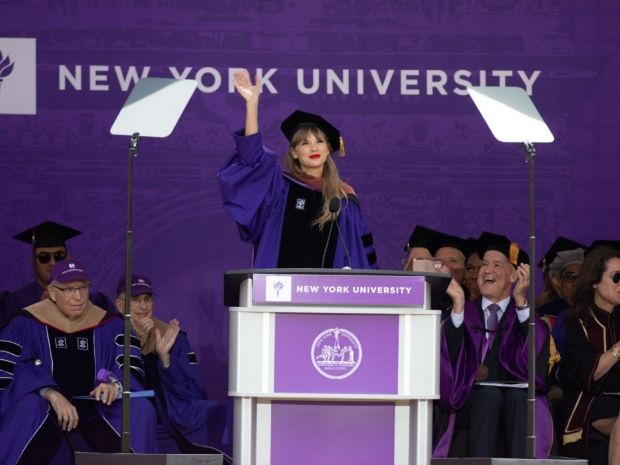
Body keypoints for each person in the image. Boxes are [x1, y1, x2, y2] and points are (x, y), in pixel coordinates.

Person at [0, 258, 156, 465]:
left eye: (83, 288)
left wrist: (114, 384)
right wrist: (50, 393)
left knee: (139, 408)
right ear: (53, 292)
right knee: (28, 407)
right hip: (47, 408)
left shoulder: (109, 324)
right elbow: (15, 368)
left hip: (97, 405)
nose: (78, 297)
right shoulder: (26, 323)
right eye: (69, 289)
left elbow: (127, 363)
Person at [217, 69, 377, 269]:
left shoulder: (343, 198)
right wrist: (252, 105)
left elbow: (358, 255)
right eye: (304, 143)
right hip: (278, 287)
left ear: (328, 149)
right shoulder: (279, 189)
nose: (314, 148)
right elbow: (253, 160)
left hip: (330, 288)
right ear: (293, 152)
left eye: (320, 141)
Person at [433, 231, 554, 458]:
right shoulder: (464, 312)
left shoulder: (524, 315)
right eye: (484, 264)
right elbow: (448, 362)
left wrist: (521, 301)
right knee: (489, 396)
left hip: (514, 400)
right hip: (469, 399)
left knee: (520, 399)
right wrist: (458, 304)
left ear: (513, 275)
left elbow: (537, 368)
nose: (487, 270)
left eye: (497, 265)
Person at [115, 275, 231, 459]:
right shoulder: (109, 333)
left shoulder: (171, 335)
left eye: (148, 299)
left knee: (222, 412)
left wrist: (165, 360)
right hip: (129, 416)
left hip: (170, 416)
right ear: (121, 306)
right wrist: (137, 343)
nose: (144, 306)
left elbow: (194, 390)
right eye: (136, 300)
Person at [559, 245, 620, 465]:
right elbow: (589, 374)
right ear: (595, 280)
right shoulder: (578, 322)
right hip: (592, 402)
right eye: (616, 277)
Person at [0, 220, 115, 330]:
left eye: (59, 256)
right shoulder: (13, 303)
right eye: (44, 257)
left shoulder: (96, 302)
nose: (53, 263)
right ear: (33, 262)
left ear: (68, 258)